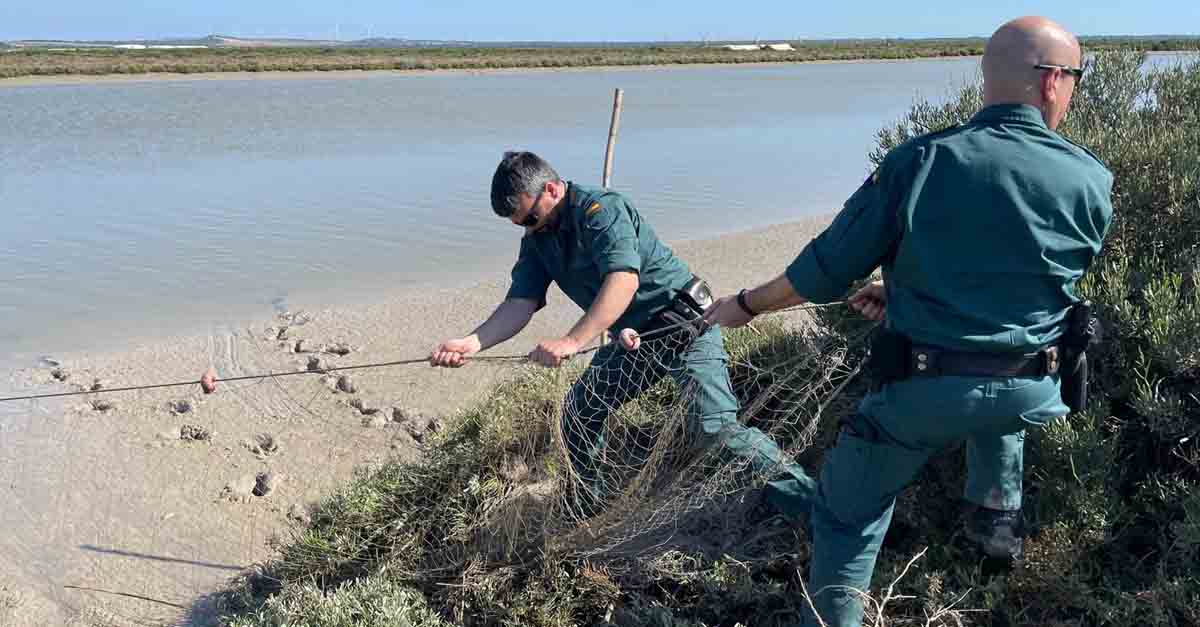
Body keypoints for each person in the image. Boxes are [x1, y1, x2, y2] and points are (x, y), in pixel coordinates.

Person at [702, 16, 1113, 627]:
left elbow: (820, 274)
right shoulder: (1092, 179)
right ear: (1053, 82)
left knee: (845, 514)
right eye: (1076, 78)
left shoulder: (921, 161)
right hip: (1034, 391)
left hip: (924, 394)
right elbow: (1027, 286)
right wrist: (903, 295)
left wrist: (744, 305)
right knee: (997, 397)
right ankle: (994, 513)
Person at [430, 151, 815, 515]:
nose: (529, 227)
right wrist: (472, 342)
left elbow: (623, 281)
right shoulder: (538, 239)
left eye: (529, 218)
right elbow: (520, 303)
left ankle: (815, 508)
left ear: (551, 188)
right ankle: (591, 507)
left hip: (685, 324)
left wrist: (571, 342)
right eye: (519, 225)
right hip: (635, 341)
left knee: (715, 428)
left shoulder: (601, 209)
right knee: (578, 413)